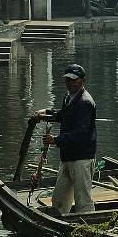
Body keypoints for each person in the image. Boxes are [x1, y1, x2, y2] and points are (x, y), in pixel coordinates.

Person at [34, 64, 97, 214]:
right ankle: (58, 223)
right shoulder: (68, 97)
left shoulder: (86, 102)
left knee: (83, 199)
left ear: (83, 81)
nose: (70, 83)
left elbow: (81, 133)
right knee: (59, 199)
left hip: (81, 158)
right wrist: (48, 112)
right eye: (68, 80)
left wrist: (56, 140)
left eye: (74, 80)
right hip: (68, 157)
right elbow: (65, 115)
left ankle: (88, 227)